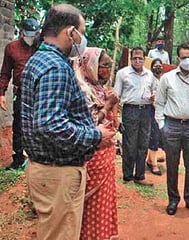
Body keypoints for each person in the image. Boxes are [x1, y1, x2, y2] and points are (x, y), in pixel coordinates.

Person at [21, 4, 115, 239]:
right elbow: (50, 126)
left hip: (46, 169)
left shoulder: (38, 60)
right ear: (71, 32)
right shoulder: (56, 68)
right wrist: (96, 136)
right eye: (81, 32)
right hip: (59, 173)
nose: (82, 39)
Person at [155, 43, 189, 215]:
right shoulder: (167, 78)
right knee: (172, 165)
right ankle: (173, 200)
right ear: (178, 58)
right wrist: (162, 125)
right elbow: (159, 103)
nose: (187, 60)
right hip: (171, 126)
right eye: (184, 57)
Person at [77, 47, 119, 240]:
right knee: (90, 205)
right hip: (91, 159)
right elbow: (88, 124)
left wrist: (112, 107)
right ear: (91, 66)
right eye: (104, 66)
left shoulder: (100, 89)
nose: (108, 70)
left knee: (103, 203)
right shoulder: (82, 90)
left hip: (105, 157)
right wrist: (108, 105)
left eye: (110, 66)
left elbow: (110, 121)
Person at [0, 18, 40, 170]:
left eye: (33, 35)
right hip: (21, 93)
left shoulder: (42, 47)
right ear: (22, 32)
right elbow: (5, 73)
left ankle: (38, 158)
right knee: (18, 126)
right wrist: (2, 93)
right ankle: (18, 159)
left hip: (39, 93)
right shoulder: (12, 48)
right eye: (28, 35)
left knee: (39, 125)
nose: (30, 38)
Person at [114, 47, 156, 186]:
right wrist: (115, 117)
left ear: (145, 59)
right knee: (129, 144)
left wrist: (153, 98)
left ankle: (140, 175)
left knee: (143, 143)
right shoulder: (122, 73)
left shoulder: (150, 75)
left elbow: (155, 92)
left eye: (140, 58)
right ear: (130, 59)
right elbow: (116, 96)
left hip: (146, 110)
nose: (137, 61)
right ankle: (127, 175)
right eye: (135, 58)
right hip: (130, 111)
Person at [146, 58, 163, 176]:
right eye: (155, 65)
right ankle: (154, 165)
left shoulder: (165, 79)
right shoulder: (148, 79)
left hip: (163, 111)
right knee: (154, 136)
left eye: (160, 65)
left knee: (161, 137)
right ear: (151, 67)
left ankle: (150, 159)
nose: (158, 67)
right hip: (152, 110)